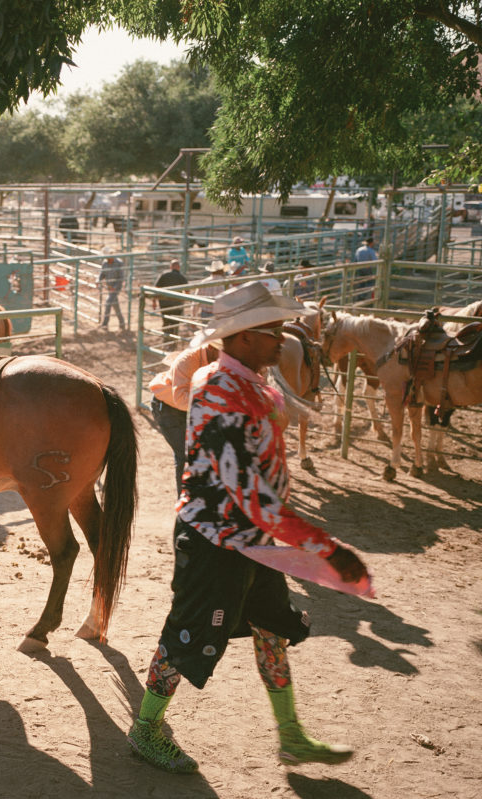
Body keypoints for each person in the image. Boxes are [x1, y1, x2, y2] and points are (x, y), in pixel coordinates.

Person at [127, 282, 370, 774]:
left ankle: (291, 736)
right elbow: (249, 494)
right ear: (241, 340)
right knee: (186, 634)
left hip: (250, 539)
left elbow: (271, 433)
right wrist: (321, 546)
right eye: (272, 332)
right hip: (215, 538)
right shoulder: (218, 389)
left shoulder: (252, 381)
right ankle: (146, 729)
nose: (282, 340)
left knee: (270, 629)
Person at [147, 343, 218, 493]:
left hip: (193, 408)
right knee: (186, 455)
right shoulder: (188, 360)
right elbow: (180, 398)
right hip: (168, 407)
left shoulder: (218, 360)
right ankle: (185, 505)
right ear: (211, 347)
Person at [154, 258, 189, 339]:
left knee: (166, 322)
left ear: (170, 267)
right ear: (179, 267)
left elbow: (156, 288)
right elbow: (187, 291)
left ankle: (166, 339)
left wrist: (154, 301)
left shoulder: (163, 275)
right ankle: (173, 341)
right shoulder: (181, 277)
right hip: (176, 305)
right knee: (175, 323)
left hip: (164, 304)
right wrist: (182, 299)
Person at [98, 247, 126, 331]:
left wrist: (114, 287)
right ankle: (122, 323)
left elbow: (121, 278)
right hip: (109, 287)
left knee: (108, 303)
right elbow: (102, 273)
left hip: (116, 287)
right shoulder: (105, 263)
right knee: (115, 305)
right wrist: (98, 280)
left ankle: (104, 324)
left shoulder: (119, 263)